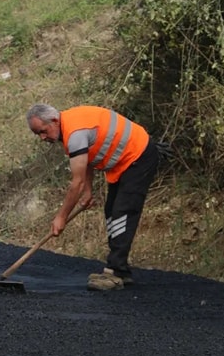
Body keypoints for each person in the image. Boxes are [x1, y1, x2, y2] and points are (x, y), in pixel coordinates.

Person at [26, 103, 160, 291]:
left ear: (54, 121)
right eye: (37, 134)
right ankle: (120, 269)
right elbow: (86, 159)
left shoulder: (75, 133)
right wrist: (88, 191)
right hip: (124, 162)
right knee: (111, 210)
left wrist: (61, 217)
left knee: (122, 212)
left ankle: (116, 271)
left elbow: (76, 183)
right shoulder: (68, 129)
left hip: (138, 155)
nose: (42, 138)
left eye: (43, 131)